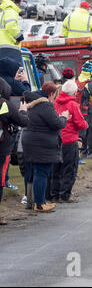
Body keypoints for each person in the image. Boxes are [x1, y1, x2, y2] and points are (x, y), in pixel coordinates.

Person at [22, 87, 68, 213]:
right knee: (42, 172)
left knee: (35, 171)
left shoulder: (32, 106)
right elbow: (57, 124)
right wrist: (64, 117)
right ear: (51, 94)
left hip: (31, 141)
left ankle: (34, 201)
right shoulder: (45, 106)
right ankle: (40, 203)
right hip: (41, 144)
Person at [50, 80, 88, 202]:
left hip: (56, 140)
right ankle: (65, 194)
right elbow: (81, 124)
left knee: (56, 169)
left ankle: (54, 194)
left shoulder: (55, 103)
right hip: (69, 141)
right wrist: (85, 123)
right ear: (74, 92)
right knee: (69, 169)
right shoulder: (73, 105)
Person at [0, 78, 28, 225]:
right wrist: (23, 112)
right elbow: (22, 121)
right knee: (0, 178)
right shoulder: (4, 104)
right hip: (2, 147)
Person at [77, 62, 92, 160]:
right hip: (86, 111)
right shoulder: (89, 84)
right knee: (89, 130)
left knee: (80, 132)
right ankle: (88, 152)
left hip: (76, 110)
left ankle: (82, 152)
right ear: (91, 73)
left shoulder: (76, 80)